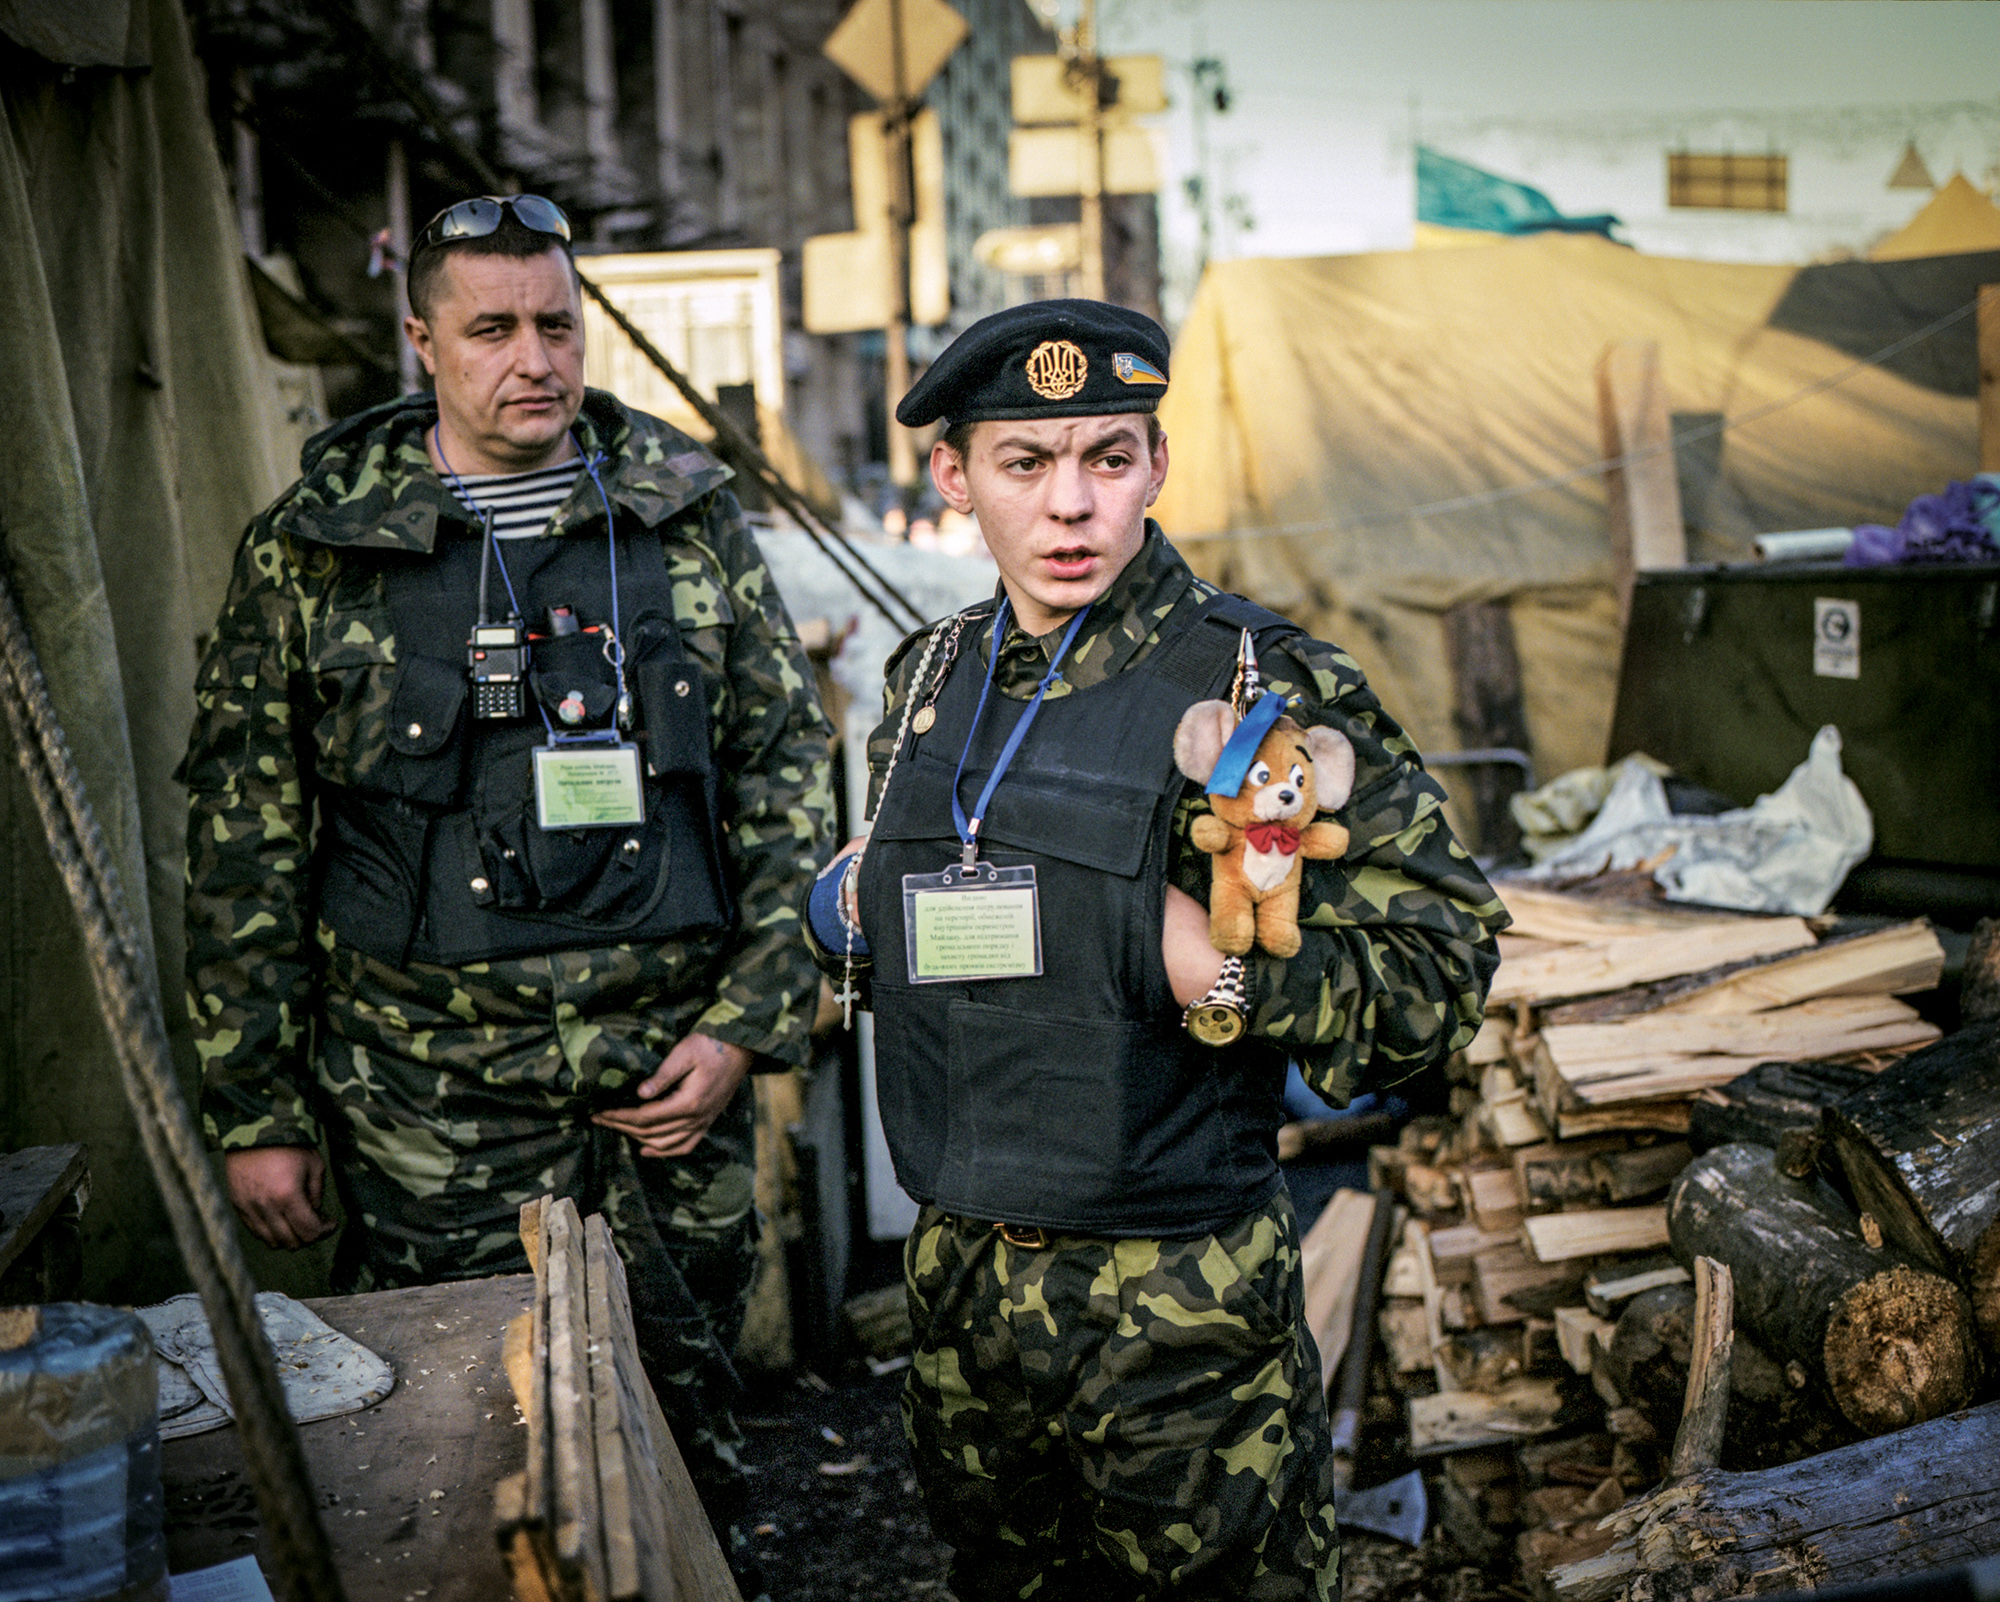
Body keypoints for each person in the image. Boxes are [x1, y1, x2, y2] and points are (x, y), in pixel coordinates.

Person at [803, 300, 1506, 1601]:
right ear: (954, 475)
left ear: (1156, 465)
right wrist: (858, 898)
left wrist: (1222, 970)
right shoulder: (927, 680)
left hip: (1180, 1303)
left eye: (1108, 459)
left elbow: (1443, 969)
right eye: (1026, 463)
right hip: (963, 1291)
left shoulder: (1260, 684)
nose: (1071, 506)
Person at [180, 194, 833, 1554]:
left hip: (667, 1092)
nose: (532, 358)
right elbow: (244, 839)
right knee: (453, 1451)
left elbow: (788, 780)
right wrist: (258, 1109)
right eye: (491, 328)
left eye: (555, 323)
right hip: (429, 1107)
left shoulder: (687, 521)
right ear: (422, 339)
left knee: (687, 1431)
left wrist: (739, 1030)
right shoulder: (318, 550)